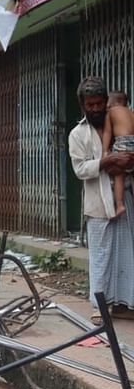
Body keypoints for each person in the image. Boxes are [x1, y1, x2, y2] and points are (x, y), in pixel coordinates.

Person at [69, 76, 134, 323]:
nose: (95, 108)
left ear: (106, 101)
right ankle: (100, 305)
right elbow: (80, 169)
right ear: (83, 105)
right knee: (101, 255)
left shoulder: (117, 121)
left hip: (125, 197)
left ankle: (123, 304)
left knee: (127, 252)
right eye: (90, 104)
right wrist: (108, 161)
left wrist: (127, 162)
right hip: (99, 203)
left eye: (99, 103)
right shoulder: (78, 134)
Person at [102, 91, 134, 218]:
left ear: (114, 103)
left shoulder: (112, 112)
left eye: (107, 105)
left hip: (124, 142)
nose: (106, 108)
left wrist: (105, 151)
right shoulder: (131, 113)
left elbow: (107, 133)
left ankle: (120, 205)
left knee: (119, 175)